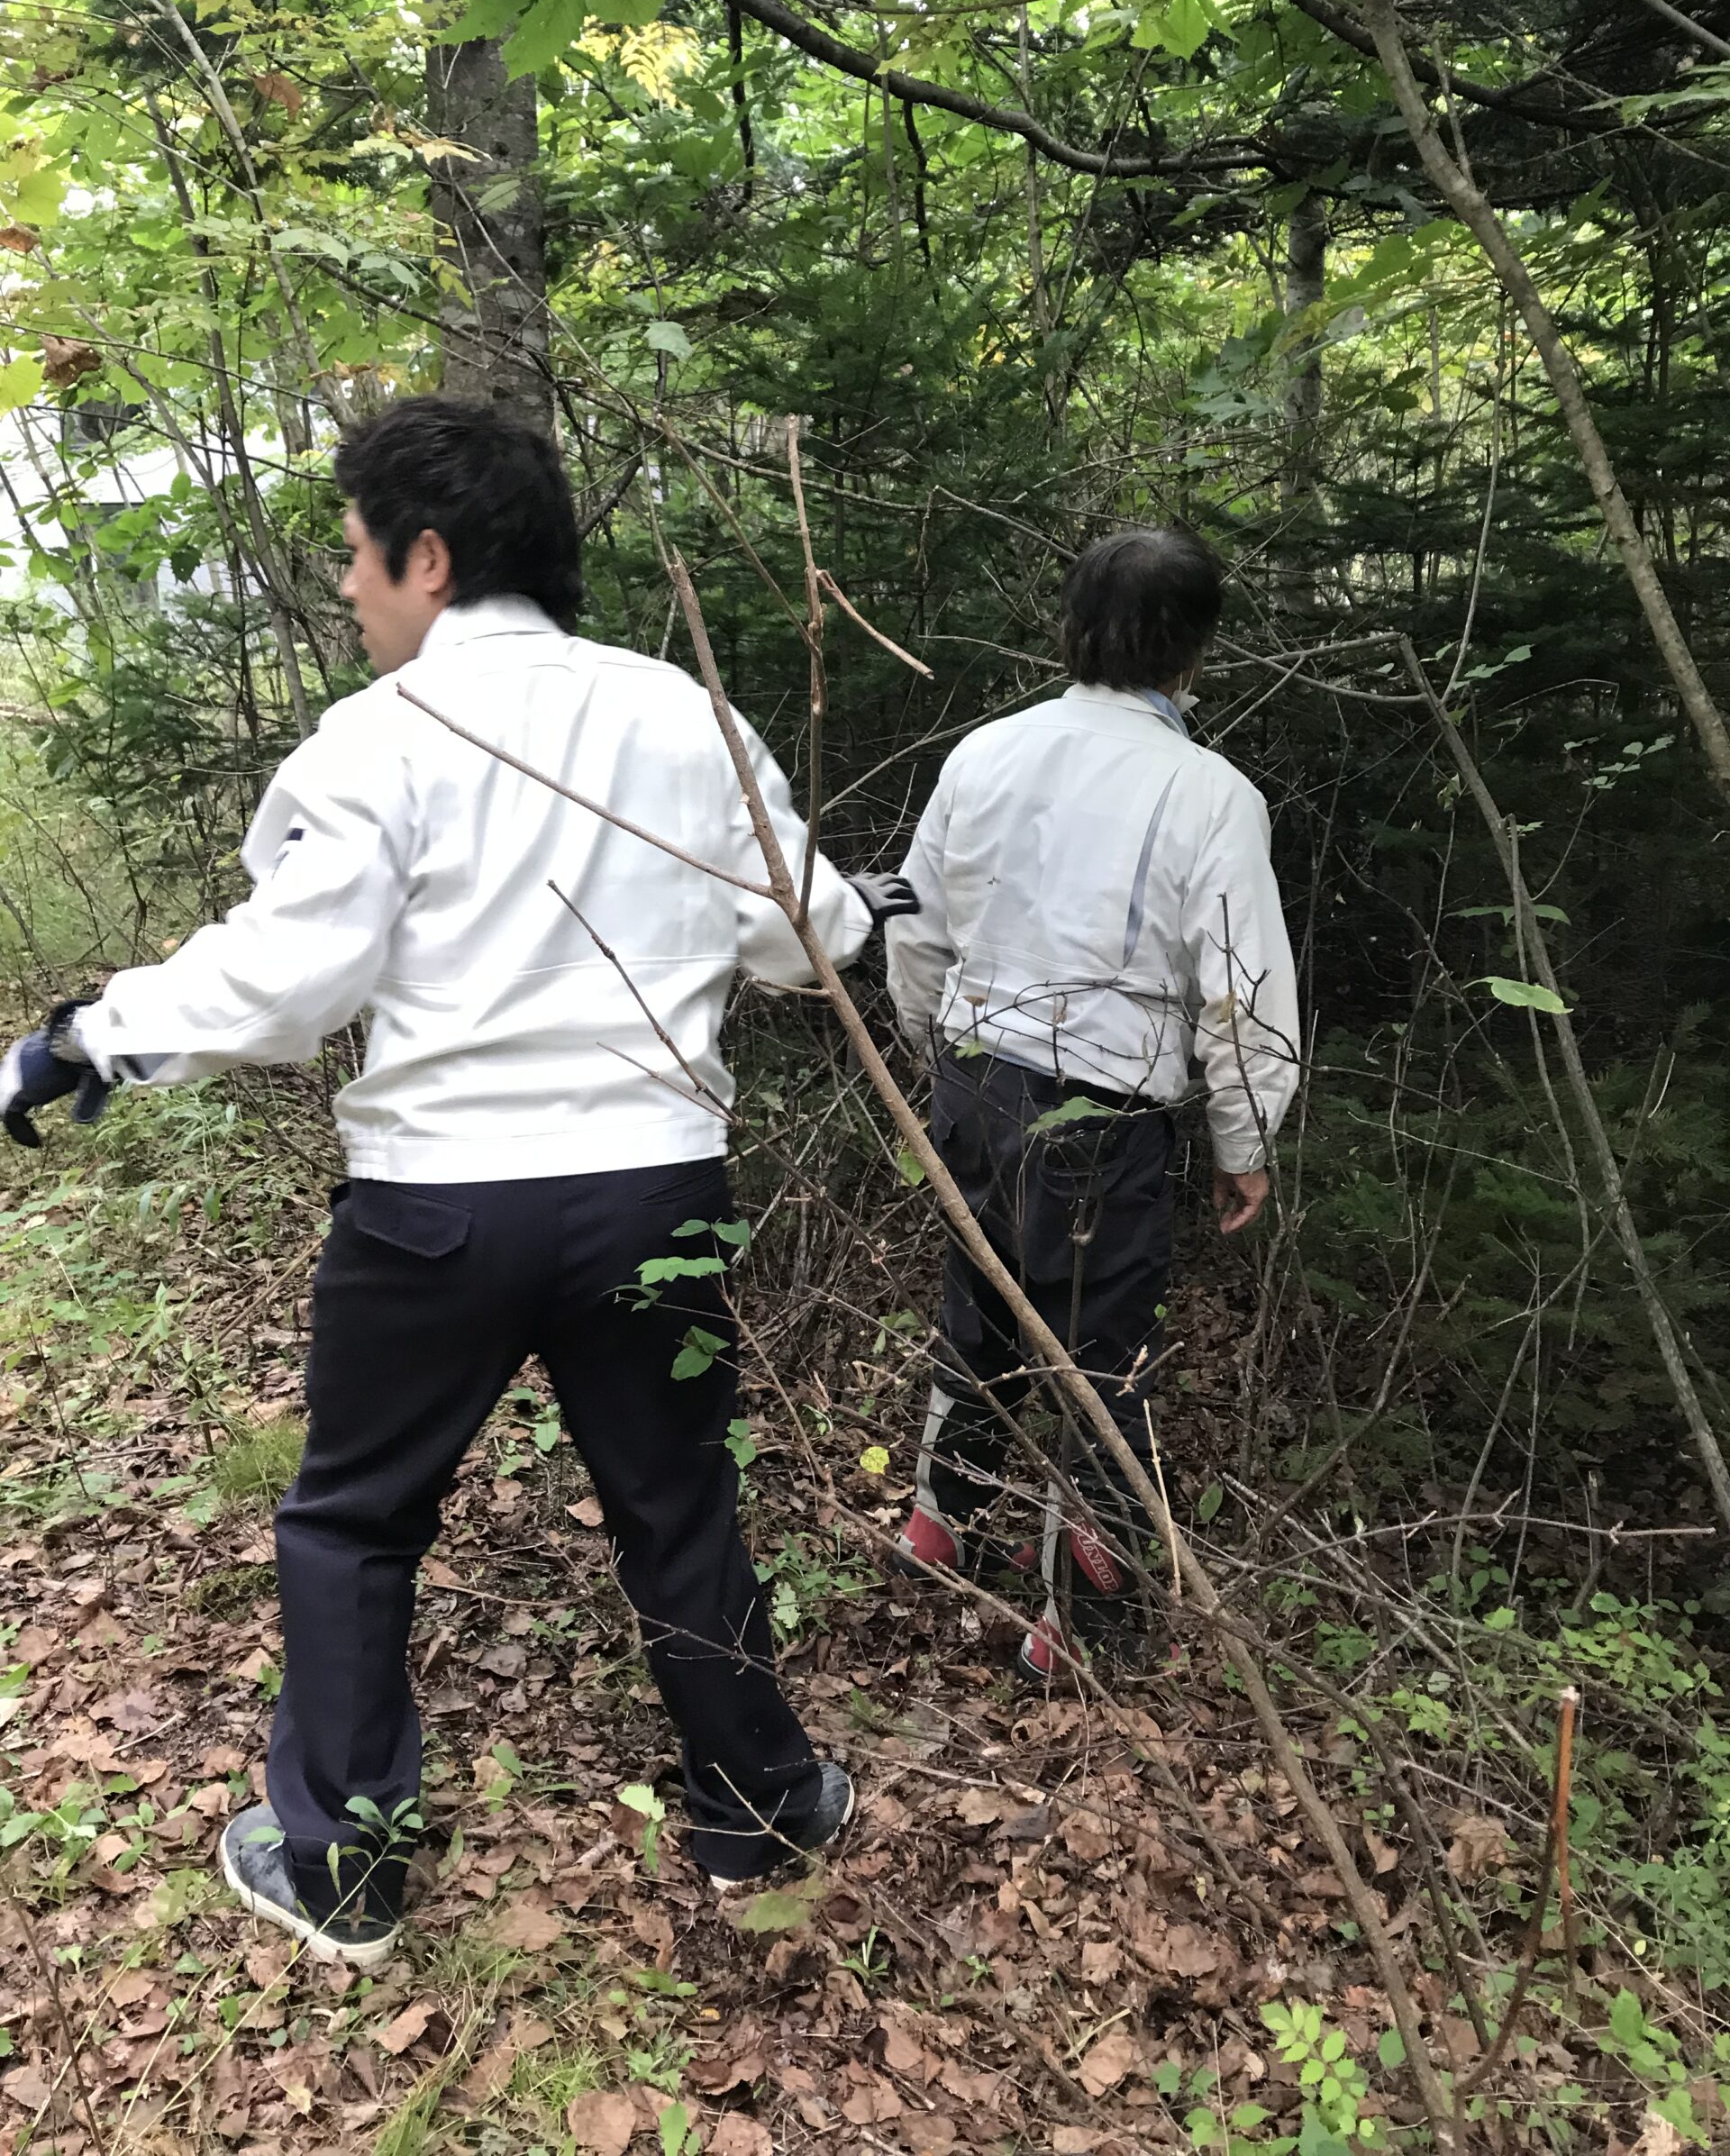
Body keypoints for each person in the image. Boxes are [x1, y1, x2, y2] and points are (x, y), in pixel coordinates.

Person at [1, 396, 916, 1963]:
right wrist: (864, 908)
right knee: (678, 1504)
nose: (347, 585)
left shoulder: (384, 737)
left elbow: (287, 977)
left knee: (355, 1521)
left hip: (438, 1211)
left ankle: (343, 1867)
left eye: (357, 555)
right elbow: (803, 932)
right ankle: (762, 1811)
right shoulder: (681, 715)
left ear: (427, 559)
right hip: (653, 1195)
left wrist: (90, 1038)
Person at [884, 524, 1299, 1675]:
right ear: (1195, 653)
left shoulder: (986, 753)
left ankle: (939, 1521)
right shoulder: (1213, 794)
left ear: (1071, 629)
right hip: (1107, 1116)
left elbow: (914, 924)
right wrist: (1245, 1135)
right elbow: (1243, 988)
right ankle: (1082, 1620)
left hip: (975, 1078)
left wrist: (934, 1050)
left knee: (981, 1302)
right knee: (1101, 1357)